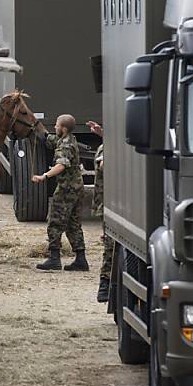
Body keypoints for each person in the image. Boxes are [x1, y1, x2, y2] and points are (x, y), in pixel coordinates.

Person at [32, 114, 86, 271]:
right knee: (73, 224)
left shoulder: (65, 146)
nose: (54, 127)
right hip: (76, 188)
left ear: (63, 128)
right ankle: (81, 259)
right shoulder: (69, 139)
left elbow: (61, 165)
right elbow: (50, 140)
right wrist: (37, 128)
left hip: (66, 189)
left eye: (56, 125)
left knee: (55, 222)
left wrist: (44, 176)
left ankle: (54, 258)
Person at [87, 121, 112, 302]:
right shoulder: (107, 147)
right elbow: (103, 165)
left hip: (110, 205)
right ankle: (104, 286)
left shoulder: (108, 146)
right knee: (109, 247)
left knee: (110, 247)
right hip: (109, 205)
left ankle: (105, 286)